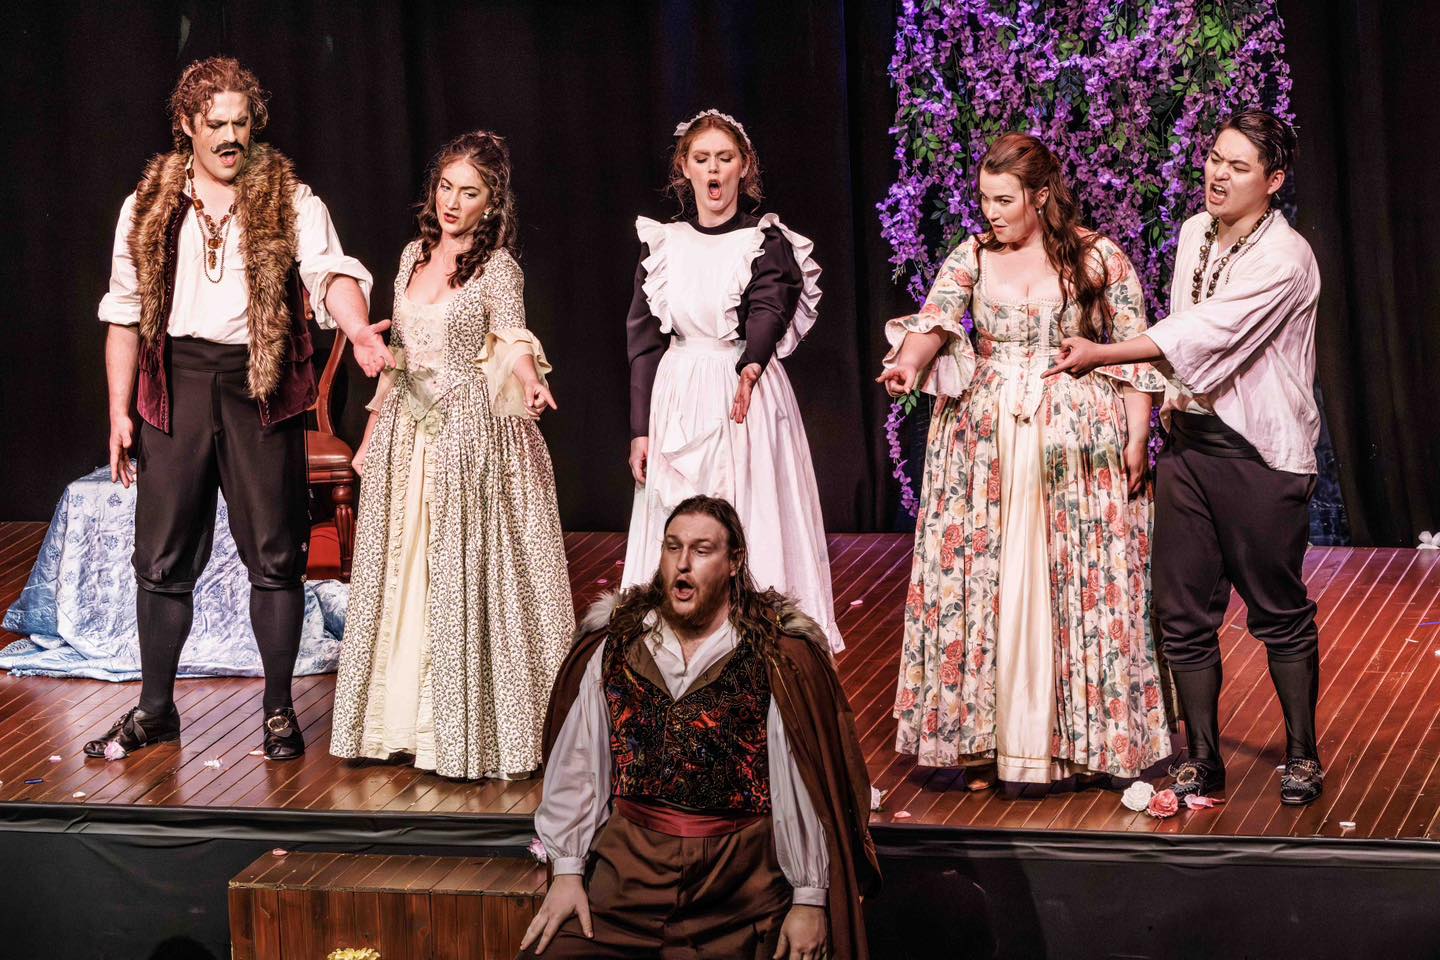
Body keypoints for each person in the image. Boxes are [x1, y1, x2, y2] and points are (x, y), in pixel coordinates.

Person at [85, 57, 389, 762]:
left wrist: (355, 329)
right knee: (160, 560)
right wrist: (119, 411)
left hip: (259, 386)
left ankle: (279, 712)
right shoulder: (148, 204)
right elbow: (123, 314)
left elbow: (331, 273)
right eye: (215, 123)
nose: (230, 136)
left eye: (241, 123)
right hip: (177, 384)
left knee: (277, 556)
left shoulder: (291, 199)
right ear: (186, 125)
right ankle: (155, 711)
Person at [1044, 109, 1325, 805]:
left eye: (1239, 166)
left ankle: (1301, 754)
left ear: (1274, 181)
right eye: (1215, 158)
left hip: (1258, 457)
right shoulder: (1196, 231)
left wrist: (1103, 354)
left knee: (1277, 610)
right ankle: (1200, 756)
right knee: (1182, 613)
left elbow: (1206, 332)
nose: (1218, 174)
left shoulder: (1285, 258)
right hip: (1191, 449)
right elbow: (1183, 336)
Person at [880, 133, 1172, 789]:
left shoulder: (1098, 256)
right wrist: (908, 366)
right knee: (987, 583)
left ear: (1040, 195)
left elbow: (1136, 350)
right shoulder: (973, 256)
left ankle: (1078, 744)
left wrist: (1136, 437)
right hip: (984, 442)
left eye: (1004, 200)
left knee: (1070, 581)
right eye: (985, 199)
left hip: (1074, 441)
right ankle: (985, 743)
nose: (991, 212)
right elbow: (936, 321)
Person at [519, 495, 878, 960]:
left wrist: (809, 899)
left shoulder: (773, 655)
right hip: (630, 877)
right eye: (673, 547)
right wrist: (567, 872)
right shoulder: (618, 644)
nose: (683, 564)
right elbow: (578, 763)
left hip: (740, 887)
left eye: (701, 550)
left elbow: (800, 784)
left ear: (734, 562)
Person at [329, 132, 573, 780]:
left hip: (470, 434)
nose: (453, 203)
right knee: (403, 574)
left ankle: (463, 732)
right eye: (446, 187)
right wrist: (372, 433)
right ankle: (395, 726)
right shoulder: (412, 255)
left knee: (461, 577)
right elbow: (399, 355)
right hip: (408, 431)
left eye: (469, 193)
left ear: (491, 202)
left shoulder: (498, 268)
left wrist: (530, 379)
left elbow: (511, 339)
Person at [623, 109, 842, 651]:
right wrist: (640, 429)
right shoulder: (664, 244)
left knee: (747, 510)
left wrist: (751, 364)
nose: (714, 169)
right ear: (685, 168)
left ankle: (755, 642)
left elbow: (770, 304)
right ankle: (676, 640)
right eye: (702, 159)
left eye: (724, 158)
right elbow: (644, 340)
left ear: (744, 166)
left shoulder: (764, 240)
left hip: (741, 390)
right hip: (678, 390)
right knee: (678, 510)